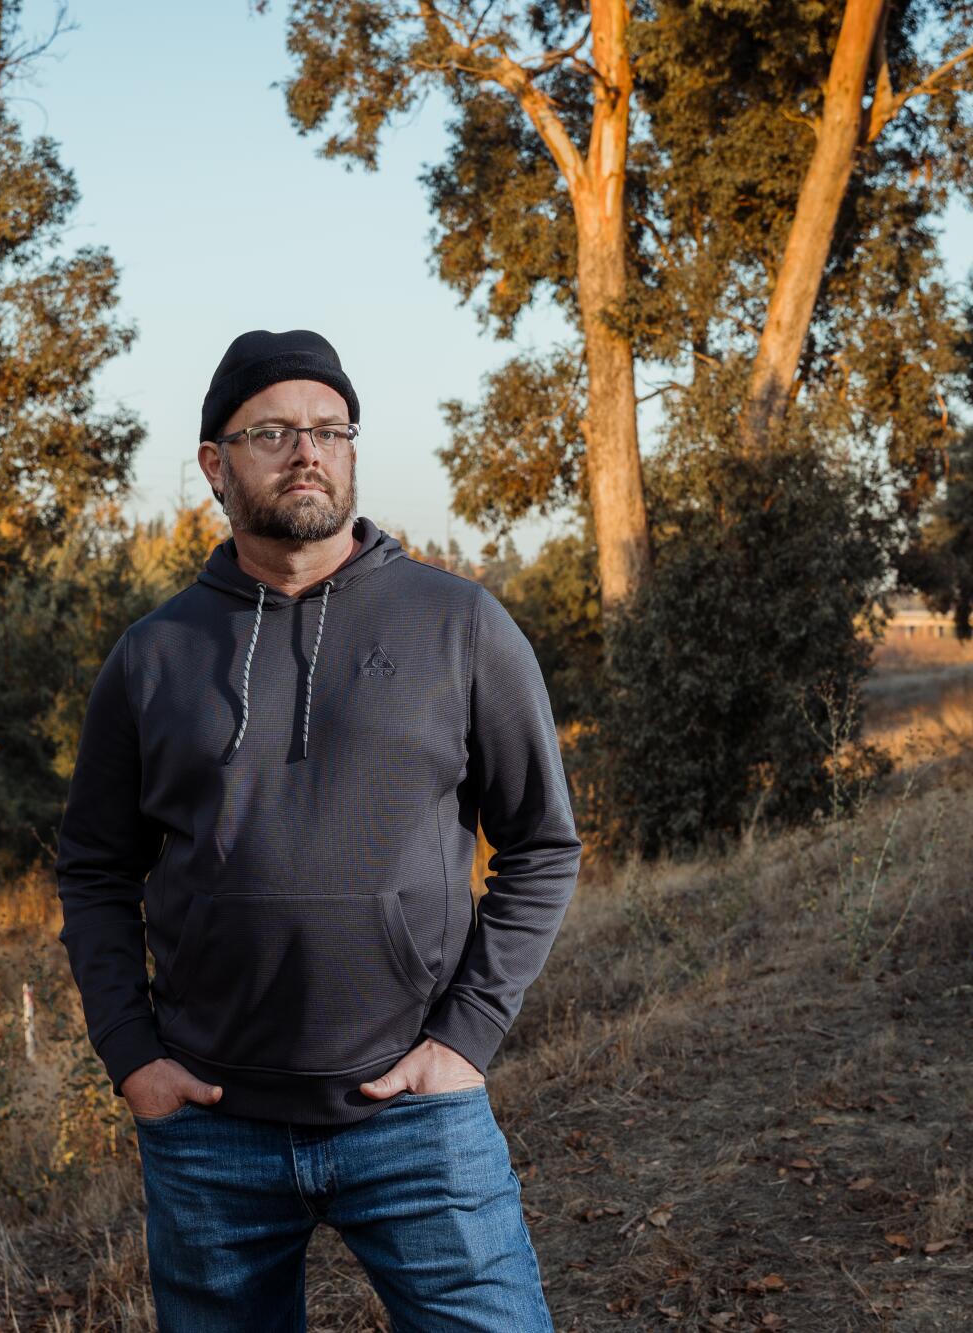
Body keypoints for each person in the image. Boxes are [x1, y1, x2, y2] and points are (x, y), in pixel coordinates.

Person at [54, 328, 581, 1331]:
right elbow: (92, 868)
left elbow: (542, 846)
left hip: (414, 1120)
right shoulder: (151, 656)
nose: (307, 450)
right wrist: (132, 1055)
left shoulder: (458, 625)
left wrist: (464, 1042)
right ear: (215, 465)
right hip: (211, 1129)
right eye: (273, 432)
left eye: (329, 428)